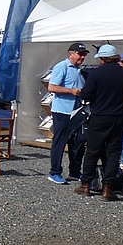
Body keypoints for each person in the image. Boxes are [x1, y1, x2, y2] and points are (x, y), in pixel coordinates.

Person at [74, 45, 123, 201]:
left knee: (92, 151)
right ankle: (108, 187)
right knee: (113, 152)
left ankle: (86, 184)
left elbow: (86, 94)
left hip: (100, 116)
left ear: (102, 59)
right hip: (119, 116)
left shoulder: (96, 73)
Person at [47, 42, 89, 185]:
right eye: (80, 54)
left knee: (78, 142)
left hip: (77, 111)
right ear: (71, 54)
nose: (82, 57)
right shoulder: (62, 66)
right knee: (60, 141)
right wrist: (72, 91)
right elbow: (52, 87)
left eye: (84, 54)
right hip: (62, 111)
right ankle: (55, 172)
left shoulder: (79, 70)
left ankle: (75, 171)